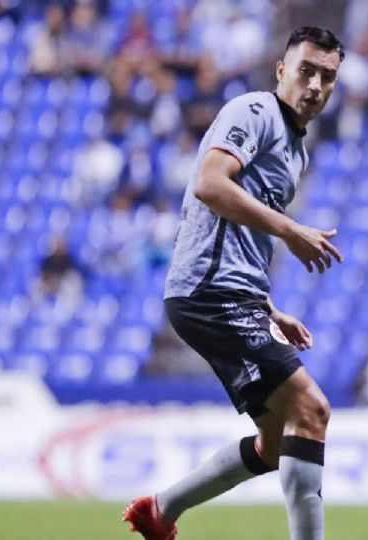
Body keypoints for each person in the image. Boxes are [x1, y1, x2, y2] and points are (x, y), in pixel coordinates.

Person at [122, 27, 345, 540]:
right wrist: (290, 229)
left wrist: (267, 307)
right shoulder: (254, 112)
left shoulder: (295, 150)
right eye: (306, 71)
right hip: (209, 292)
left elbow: (236, 232)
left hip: (234, 294)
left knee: (274, 441)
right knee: (312, 409)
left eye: (326, 77)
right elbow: (208, 184)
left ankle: (162, 510)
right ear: (281, 71)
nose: (314, 85)